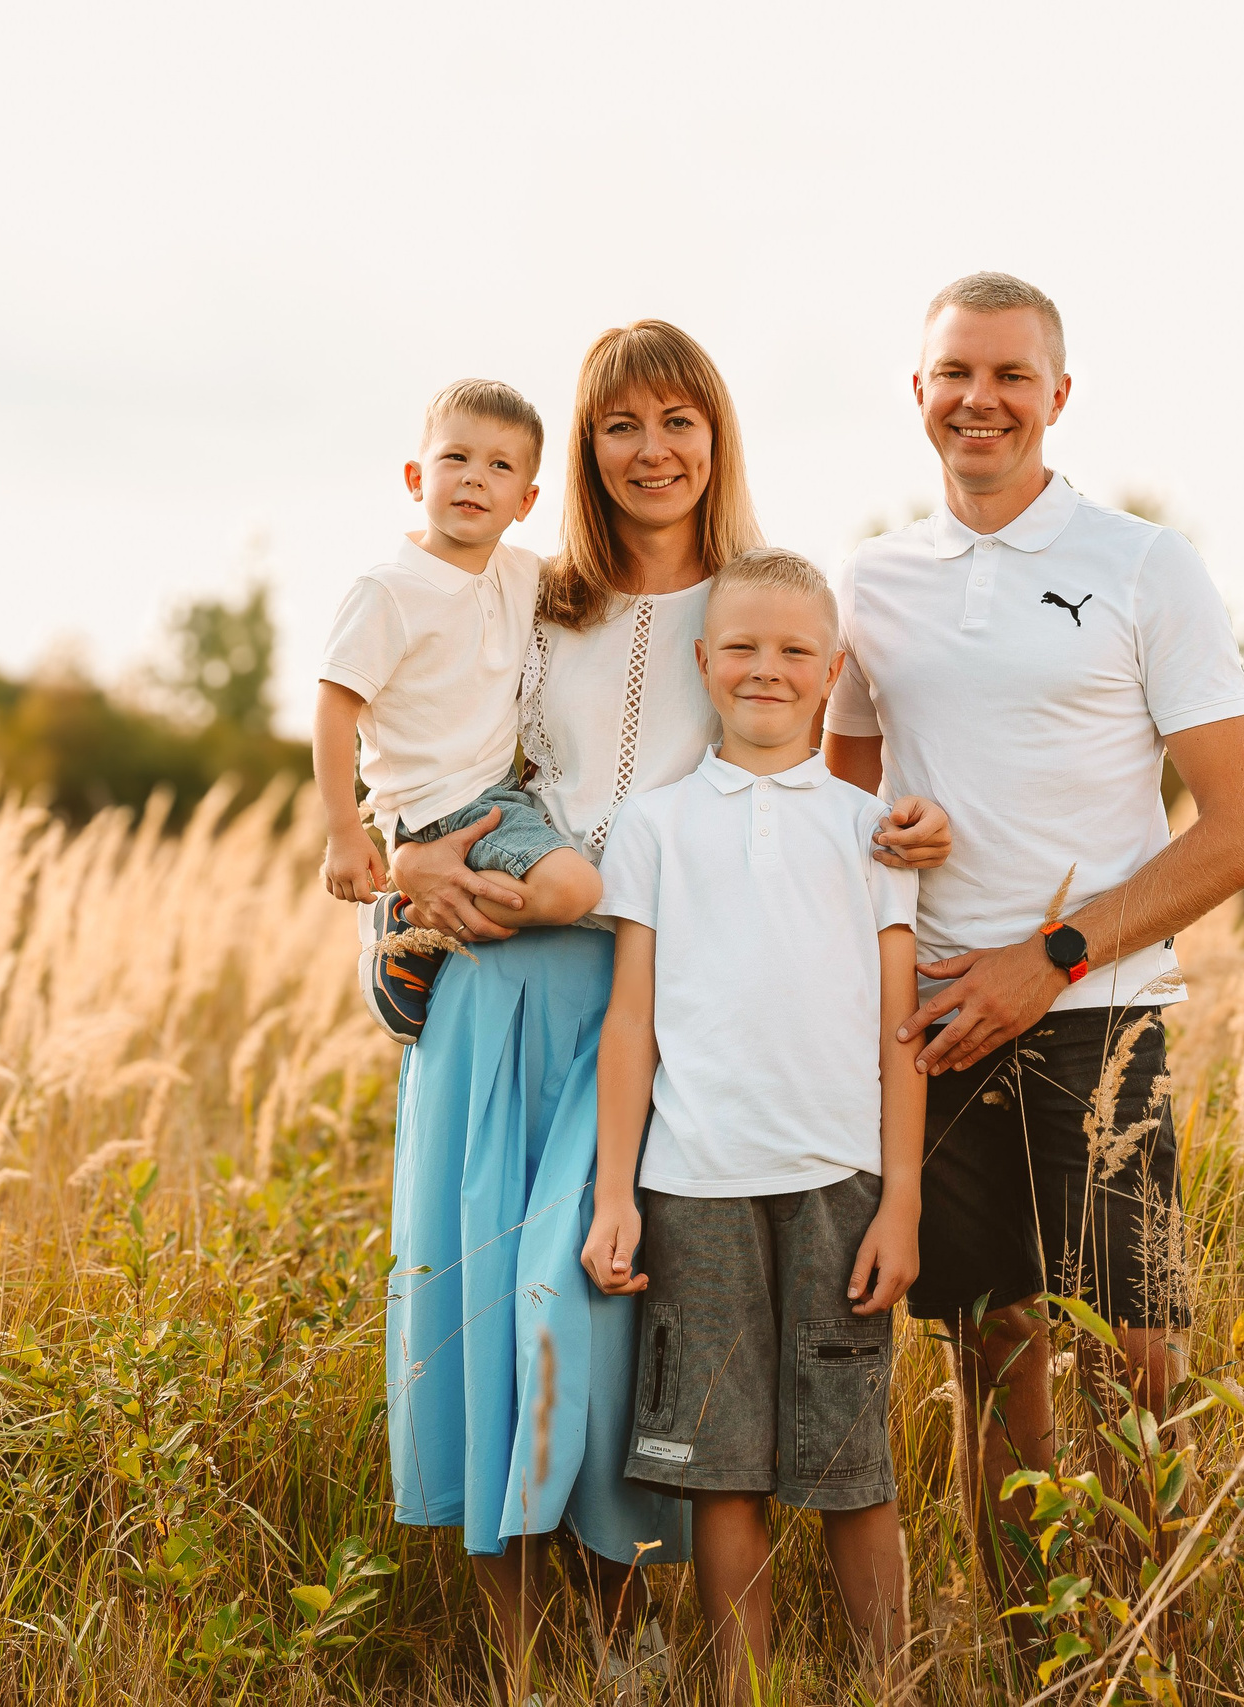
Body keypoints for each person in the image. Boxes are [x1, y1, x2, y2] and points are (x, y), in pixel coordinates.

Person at [382, 322, 953, 1696]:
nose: (653, 450)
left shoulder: (758, 606)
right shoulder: (527, 596)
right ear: (584, 450)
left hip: (663, 1019)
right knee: (487, 1333)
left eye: (679, 420)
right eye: (623, 425)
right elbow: (427, 755)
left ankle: (626, 1627)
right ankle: (540, 1662)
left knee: (589, 1318)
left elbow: (839, 784)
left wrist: (920, 823)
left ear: (717, 436)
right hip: (502, 994)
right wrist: (396, 884)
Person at [822, 272, 1244, 1628]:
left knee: (1139, 1361)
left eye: (1012, 375)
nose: (982, 399)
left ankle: (1147, 1645)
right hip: (945, 1016)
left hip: (1100, 1010)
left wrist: (1055, 957)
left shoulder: (1146, 565)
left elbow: (1242, 833)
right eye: (955, 373)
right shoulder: (875, 581)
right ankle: (1032, 1652)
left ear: (1058, 396)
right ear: (919, 395)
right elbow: (836, 813)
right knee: (993, 1356)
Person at [580, 549, 924, 1697]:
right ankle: (747, 1689)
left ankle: (892, 1683)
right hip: (696, 1185)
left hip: (839, 1186)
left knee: (850, 1466)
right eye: (741, 647)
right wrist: (616, 1194)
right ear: (702, 663)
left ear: (832, 673)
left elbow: (898, 1038)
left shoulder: (870, 829)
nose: (765, 669)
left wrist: (902, 1204)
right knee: (723, 1473)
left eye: (792, 652)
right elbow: (630, 1023)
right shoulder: (657, 824)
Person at [312, 378, 602, 1044]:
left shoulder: (520, 572)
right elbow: (334, 708)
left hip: (502, 793)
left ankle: (424, 931)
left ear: (526, 501)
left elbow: (593, 578)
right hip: (439, 806)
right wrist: (342, 829)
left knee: (579, 880)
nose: (475, 478)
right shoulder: (389, 591)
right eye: (456, 459)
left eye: (500, 466)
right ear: (416, 476)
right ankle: (410, 917)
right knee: (577, 890)